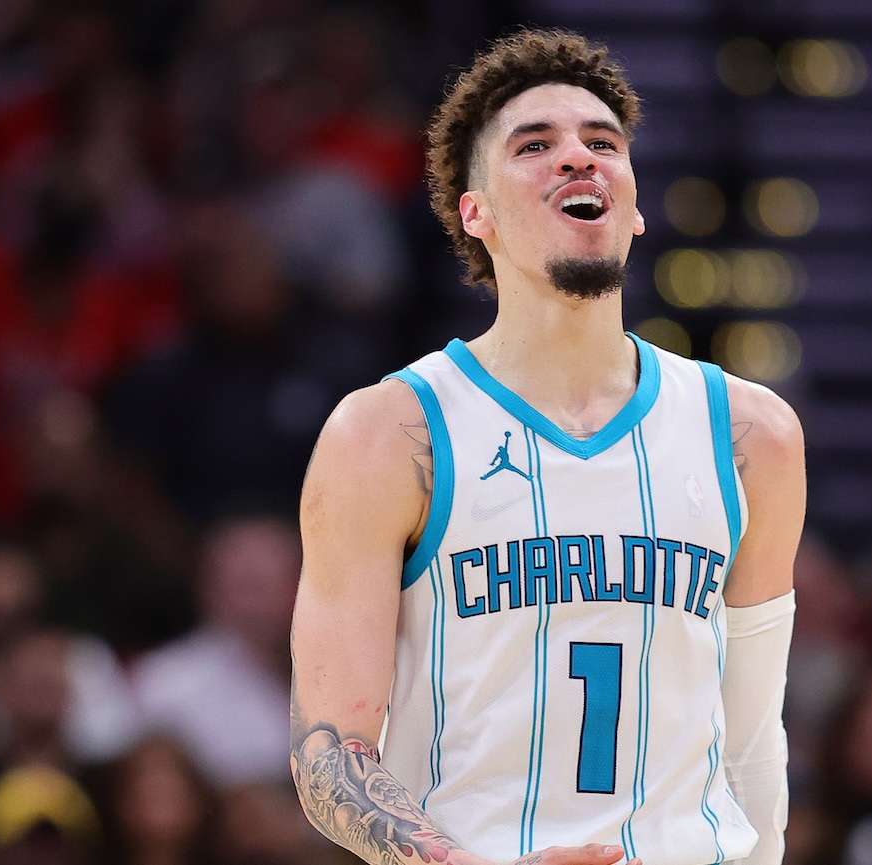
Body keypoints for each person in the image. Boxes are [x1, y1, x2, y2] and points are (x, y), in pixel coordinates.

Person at [288, 29, 805, 865]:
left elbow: (751, 738)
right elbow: (330, 754)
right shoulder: (388, 433)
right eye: (536, 145)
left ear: (635, 204)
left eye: (603, 143)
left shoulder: (753, 434)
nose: (578, 158)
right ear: (475, 210)